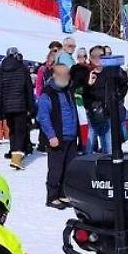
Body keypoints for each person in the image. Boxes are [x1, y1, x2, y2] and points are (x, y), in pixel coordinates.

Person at [38, 63, 79, 209]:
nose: (65, 77)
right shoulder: (47, 94)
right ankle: (52, 197)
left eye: (67, 74)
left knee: (68, 168)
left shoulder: (68, 90)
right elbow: (43, 117)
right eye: (61, 74)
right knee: (55, 169)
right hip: (57, 138)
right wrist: (51, 136)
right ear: (54, 75)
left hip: (71, 136)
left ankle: (63, 193)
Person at [80, 45, 128, 155]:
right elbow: (78, 91)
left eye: (100, 56)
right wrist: (87, 84)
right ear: (90, 58)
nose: (97, 59)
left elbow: (124, 84)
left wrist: (117, 98)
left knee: (109, 146)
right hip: (92, 113)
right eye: (94, 56)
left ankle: (109, 166)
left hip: (108, 113)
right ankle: (87, 167)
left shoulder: (112, 71)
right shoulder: (86, 73)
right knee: (89, 145)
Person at [0, 47, 33, 170]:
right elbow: (28, 89)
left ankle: (13, 151)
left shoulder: (2, 69)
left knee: (12, 129)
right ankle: (16, 159)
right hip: (21, 104)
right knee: (20, 131)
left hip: (7, 105)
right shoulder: (22, 68)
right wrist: (31, 106)